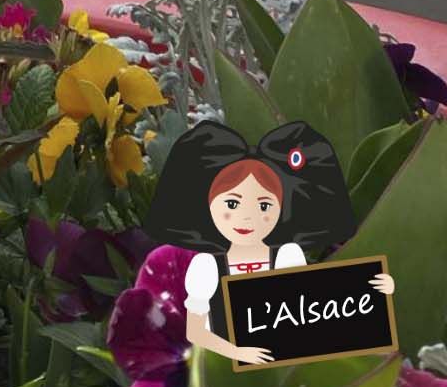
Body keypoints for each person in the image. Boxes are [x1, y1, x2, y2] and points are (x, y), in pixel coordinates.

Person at [144, 119, 393, 367]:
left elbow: (313, 309)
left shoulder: (286, 256)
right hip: (223, 373)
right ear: (209, 206)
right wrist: (237, 352)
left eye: (264, 206)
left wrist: (372, 292)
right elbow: (196, 331)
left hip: (285, 366)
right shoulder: (206, 267)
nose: (247, 217)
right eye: (232, 204)